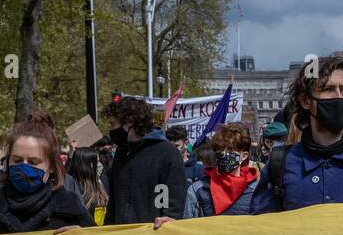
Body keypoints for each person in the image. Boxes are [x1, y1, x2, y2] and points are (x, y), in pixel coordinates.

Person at [251, 54, 343, 213]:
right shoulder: (280, 164)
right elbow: (261, 230)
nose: (338, 96)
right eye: (328, 89)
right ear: (305, 101)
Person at [0, 111, 93, 235]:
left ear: (50, 167)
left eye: (33, 162)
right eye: (17, 160)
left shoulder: (70, 208)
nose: (24, 167)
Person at [99, 96, 187, 224]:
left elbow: (172, 201)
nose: (111, 130)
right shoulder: (121, 153)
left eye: (113, 124)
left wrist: (168, 220)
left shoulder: (167, 153)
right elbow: (114, 201)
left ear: (129, 122)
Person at [183, 122, 261, 217]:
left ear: (244, 156)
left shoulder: (255, 190)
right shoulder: (197, 190)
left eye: (230, 150)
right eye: (219, 150)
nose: (224, 154)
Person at [67, 147, 110, 224]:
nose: (100, 165)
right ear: (86, 165)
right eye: (97, 161)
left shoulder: (101, 184)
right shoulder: (71, 189)